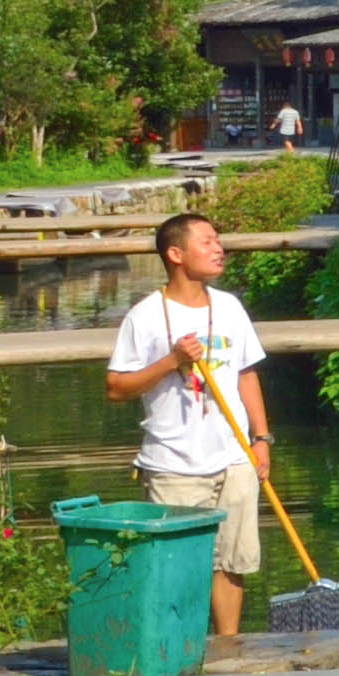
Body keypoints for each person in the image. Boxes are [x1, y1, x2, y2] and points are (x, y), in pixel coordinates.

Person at [103, 209, 270, 643]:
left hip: (234, 457)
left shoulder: (230, 307)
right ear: (176, 254)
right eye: (207, 241)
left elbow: (247, 374)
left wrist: (262, 439)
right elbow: (116, 388)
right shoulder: (145, 316)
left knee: (232, 562)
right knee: (177, 567)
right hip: (173, 463)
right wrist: (172, 361)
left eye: (218, 240)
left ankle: (228, 648)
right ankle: (178, 651)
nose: (219, 249)